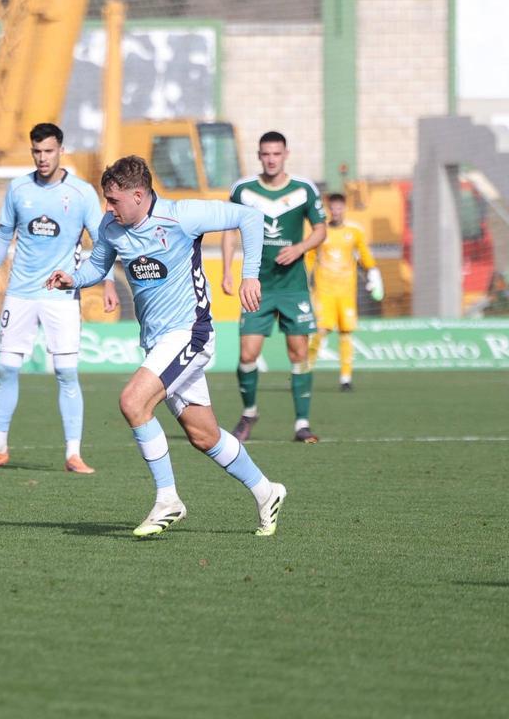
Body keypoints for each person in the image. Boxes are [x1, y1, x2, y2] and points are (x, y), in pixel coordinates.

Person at [46, 155, 286, 537]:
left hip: (190, 332)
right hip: (157, 341)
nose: (108, 209)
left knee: (132, 402)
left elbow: (250, 218)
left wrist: (249, 276)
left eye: (114, 201)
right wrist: (72, 279)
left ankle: (168, 499)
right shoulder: (112, 227)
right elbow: (98, 266)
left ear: (139, 195)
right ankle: (266, 491)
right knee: (203, 435)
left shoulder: (182, 215)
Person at [0, 122, 104, 475]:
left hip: (61, 295)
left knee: (66, 372)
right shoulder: (18, 189)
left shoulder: (82, 193)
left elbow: (102, 241)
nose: (42, 158)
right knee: (6, 368)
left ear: (61, 150)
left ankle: (74, 454)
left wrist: (108, 285)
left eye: (48, 151)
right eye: (37, 152)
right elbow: (2, 234)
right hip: (20, 294)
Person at [222, 131, 326, 443]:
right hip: (258, 287)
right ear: (258, 155)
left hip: (293, 287)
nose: (271, 159)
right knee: (247, 352)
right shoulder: (243, 189)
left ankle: (302, 424)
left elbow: (321, 230)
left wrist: (300, 248)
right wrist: (228, 270)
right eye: (265, 154)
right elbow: (229, 229)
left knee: (299, 353)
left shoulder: (303, 189)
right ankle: (249, 412)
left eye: (276, 154)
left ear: (285, 154)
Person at [306, 192, 384, 391]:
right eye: (333, 208)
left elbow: (364, 254)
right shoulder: (320, 231)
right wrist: (302, 280)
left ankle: (346, 378)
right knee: (320, 331)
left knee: (346, 333)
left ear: (344, 209)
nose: (336, 211)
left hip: (346, 291)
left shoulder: (355, 232)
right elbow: (309, 257)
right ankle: (305, 373)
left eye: (339, 208)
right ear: (328, 210)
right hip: (324, 290)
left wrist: (373, 272)